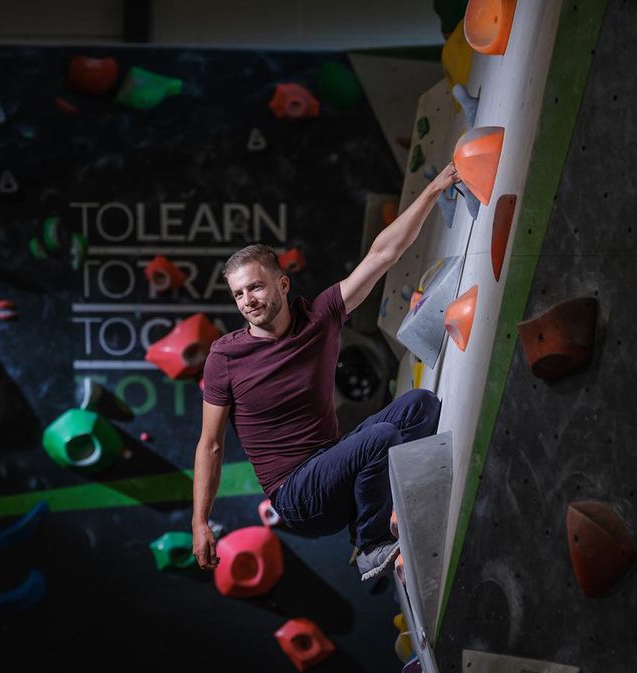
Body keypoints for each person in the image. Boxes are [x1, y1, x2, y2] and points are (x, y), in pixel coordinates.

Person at [192, 161, 461, 580]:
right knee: (381, 437)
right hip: (296, 495)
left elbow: (382, 254)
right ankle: (370, 546)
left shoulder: (320, 317)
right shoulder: (224, 357)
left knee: (419, 406)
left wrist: (430, 193)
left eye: (256, 287)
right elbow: (210, 445)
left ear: (282, 284)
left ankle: (386, 510)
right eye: (239, 293)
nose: (247, 300)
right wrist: (199, 520)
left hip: (332, 466)